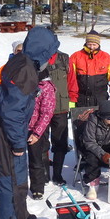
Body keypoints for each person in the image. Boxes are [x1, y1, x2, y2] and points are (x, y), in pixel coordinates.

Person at [0, 26, 60, 219]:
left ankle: (20, 215)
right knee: (9, 180)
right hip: (6, 130)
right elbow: (12, 111)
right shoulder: (25, 70)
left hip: (12, 128)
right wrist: (18, 143)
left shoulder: (24, 61)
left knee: (19, 177)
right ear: (42, 51)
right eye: (50, 53)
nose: (52, 58)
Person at [80, 100, 110, 200]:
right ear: (102, 117)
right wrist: (103, 154)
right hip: (93, 146)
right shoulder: (93, 121)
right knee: (92, 159)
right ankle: (93, 184)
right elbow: (89, 141)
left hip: (109, 145)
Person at [68, 29, 110, 107]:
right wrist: (71, 99)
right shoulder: (75, 57)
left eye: (94, 44)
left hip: (100, 100)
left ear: (98, 44)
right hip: (80, 99)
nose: (92, 47)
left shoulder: (107, 58)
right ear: (86, 43)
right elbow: (70, 79)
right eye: (89, 44)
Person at [44, 49, 71, 186]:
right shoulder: (36, 57)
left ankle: (57, 174)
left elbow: (71, 82)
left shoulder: (64, 58)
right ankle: (44, 175)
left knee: (60, 142)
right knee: (42, 143)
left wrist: (71, 104)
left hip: (61, 108)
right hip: (42, 109)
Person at [27, 68, 56, 200]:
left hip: (35, 129)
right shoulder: (24, 83)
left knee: (36, 159)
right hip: (20, 127)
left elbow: (46, 113)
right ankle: (18, 186)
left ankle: (37, 188)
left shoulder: (46, 87)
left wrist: (37, 133)